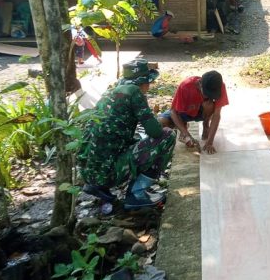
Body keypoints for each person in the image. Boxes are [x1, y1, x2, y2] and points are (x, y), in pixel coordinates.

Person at [78, 58, 176, 211]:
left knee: (137, 138)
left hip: (88, 170)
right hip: (107, 173)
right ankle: (137, 194)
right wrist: (161, 120)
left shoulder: (111, 92)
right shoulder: (134, 92)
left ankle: (97, 186)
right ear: (144, 82)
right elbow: (155, 131)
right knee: (167, 135)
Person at [158, 70, 228, 154]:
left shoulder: (219, 86)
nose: (209, 96)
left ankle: (205, 125)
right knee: (160, 122)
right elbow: (173, 112)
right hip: (184, 113)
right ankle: (183, 126)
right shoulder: (185, 86)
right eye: (207, 93)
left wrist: (210, 142)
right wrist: (187, 134)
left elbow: (217, 115)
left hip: (202, 112)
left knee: (209, 104)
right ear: (199, 83)